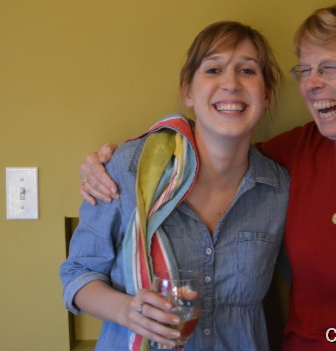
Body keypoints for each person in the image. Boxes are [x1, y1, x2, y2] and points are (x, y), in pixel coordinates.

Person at [80, 0, 336, 350]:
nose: (312, 84)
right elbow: (220, 150)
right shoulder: (301, 152)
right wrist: (110, 162)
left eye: (330, 67)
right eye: (305, 69)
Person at [60, 21, 290, 351]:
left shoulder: (280, 189)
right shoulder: (130, 167)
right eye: (213, 69)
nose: (231, 83)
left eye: (247, 71)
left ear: (266, 95)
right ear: (188, 91)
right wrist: (127, 311)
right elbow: (78, 274)